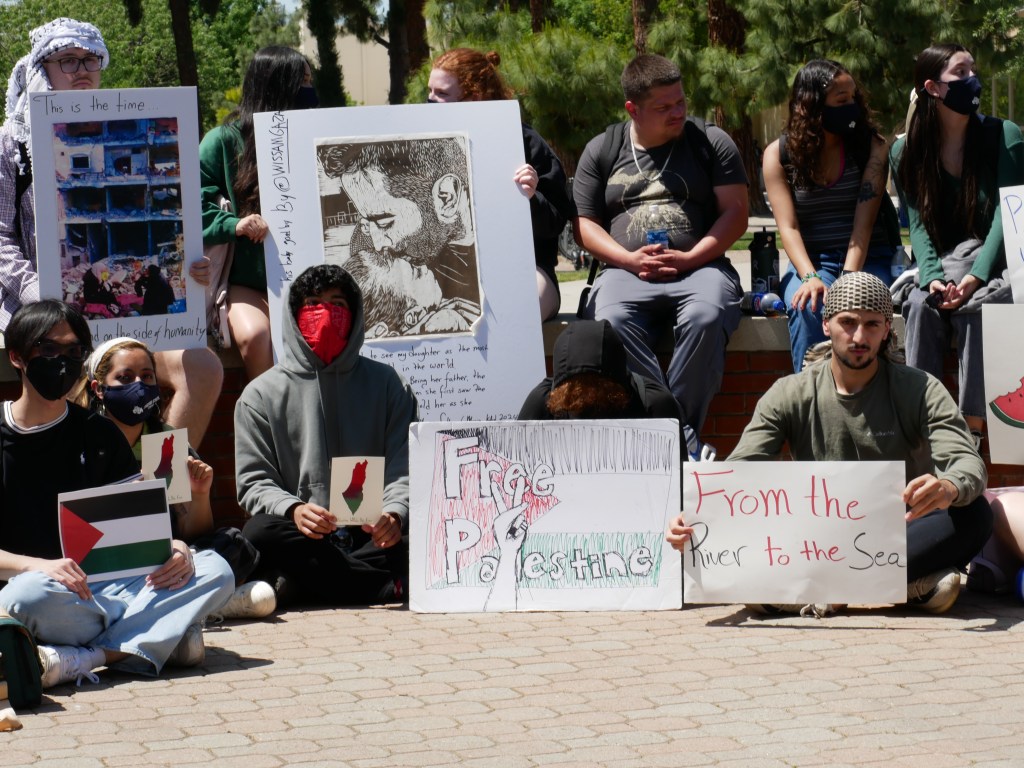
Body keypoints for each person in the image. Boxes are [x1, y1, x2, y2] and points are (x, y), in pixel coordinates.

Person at [666, 272, 993, 615]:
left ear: (886, 330)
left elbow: (967, 463)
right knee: (737, 530)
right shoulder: (789, 393)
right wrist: (696, 516)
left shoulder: (921, 389)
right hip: (815, 539)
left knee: (975, 514)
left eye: (871, 325)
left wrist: (948, 487)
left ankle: (816, 587)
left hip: (899, 532)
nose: (859, 336)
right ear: (826, 325)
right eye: (847, 322)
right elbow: (740, 472)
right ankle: (907, 587)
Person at [1, 17, 224, 449]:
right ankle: (98, 493)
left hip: (135, 323)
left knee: (204, 367)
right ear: (42, 67)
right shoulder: (13, 143)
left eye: (90, 59)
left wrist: (188, 269)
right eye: (68, 60)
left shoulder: (137, 116)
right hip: (51, 318)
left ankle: (160, 487)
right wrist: (44, 296)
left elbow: (176, 223)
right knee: (63, 377)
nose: (81, 69)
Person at [0, 300, 234, 687]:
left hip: (107, 590)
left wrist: (174, 547)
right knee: (24, 596)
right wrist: (35, 565)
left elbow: (138, 532)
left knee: (214, 568)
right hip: (45, 590)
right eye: (49, 350)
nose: (62, 361)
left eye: (73, 351)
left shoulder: (98, 432)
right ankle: (158, 634)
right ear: (18, 358)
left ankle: (86, 656)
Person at [572, 54, 748, 451]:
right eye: (664, 107)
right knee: (610, 321)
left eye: (681, 102)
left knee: (708, 314)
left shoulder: (710, 142)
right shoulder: (603, 149)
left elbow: (736, 214)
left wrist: (692, 257)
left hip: (700, 268)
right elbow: (585, 225)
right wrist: (626, 259)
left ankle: (669, 442)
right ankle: (679, 440)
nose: (678, 113)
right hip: (625, 271)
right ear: (632, 109)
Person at [236, 264, 417, 605]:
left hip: (372, 535)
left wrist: (393, 514)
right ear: (293, 315)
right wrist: (293, 510)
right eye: (313, 303)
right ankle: (379, 586)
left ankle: (312, 585)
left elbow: (405, 465)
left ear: (355, 314)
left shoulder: (389, 384)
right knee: (259, 531)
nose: (325, 313)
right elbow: (254, 482)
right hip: (306, 536)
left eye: (338, 303)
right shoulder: (259, 395)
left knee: (427, 530)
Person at [70, 336, 276, 620]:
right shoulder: (83, 443)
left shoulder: (165, 441)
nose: (139, 385)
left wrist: (200, 493)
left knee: (231, 543)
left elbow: (194, 532)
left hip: (174, 557)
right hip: (113, 561)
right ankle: (207, 602)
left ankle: (196, 601)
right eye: (125, 377)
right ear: (99, 389)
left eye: (146, 376)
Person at [891, 43, 1024, 446]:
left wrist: (978, 275)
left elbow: (1010, 215)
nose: (974, 81)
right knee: (918, 306)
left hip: (996, 260)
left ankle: (971, 431)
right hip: (943, 267)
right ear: (933, 88)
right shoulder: (906, 150)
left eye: (973, 71)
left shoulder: (1004, 135)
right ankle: (922, 425)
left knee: (979, 307)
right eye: (961, 74)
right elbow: (917, 223)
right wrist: (930, 278)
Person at [763, 59, 896, 372]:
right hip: (814, 260)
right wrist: (809, 277)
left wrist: (847, 280)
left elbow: (862, 227)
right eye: (841, 101)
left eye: (853, 98)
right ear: (812, 107)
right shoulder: (778, 155)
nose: (851, 106)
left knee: (860, 304)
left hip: (867, 258)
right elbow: (789, 228)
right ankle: (810, 403)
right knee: (806, 304)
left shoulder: (871, 148)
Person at [428, 47, 576, 320]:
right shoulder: (421, 143)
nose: (430, 99)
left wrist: (531, 198)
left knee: (519, 313)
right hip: (451, 266)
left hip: (526, 268)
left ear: (473, 98)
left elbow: (554, 222)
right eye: (430, 91)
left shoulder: (525, 144)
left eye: (442, 94)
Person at [198, 46, 318, 381]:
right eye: (301, 82)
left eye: (310, 81)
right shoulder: (221, 142)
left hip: (308, 278)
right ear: (274, 86)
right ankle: (266, 425)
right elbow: (191, 206)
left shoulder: (317, 136)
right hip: (245, 281)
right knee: (257, 337)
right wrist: (234, 224)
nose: (309, 91)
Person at [318, 138, 482, 334]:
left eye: (384, 222)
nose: (377, 246)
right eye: (366, 222)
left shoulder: (504, 242)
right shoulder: (364, 247)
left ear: (446, 197)